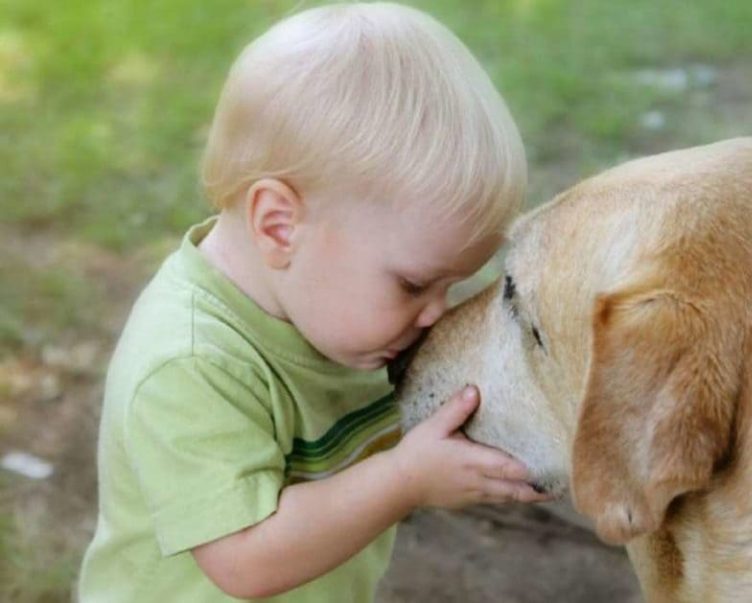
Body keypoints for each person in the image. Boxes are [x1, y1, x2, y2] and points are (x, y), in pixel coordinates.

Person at [77, 3, 548, 600]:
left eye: (450, 286)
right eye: (412, 284)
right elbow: (245, 561)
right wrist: (405, 481)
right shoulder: (192, 364)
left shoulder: (338, 316)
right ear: (278, 227)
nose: (434, 314)